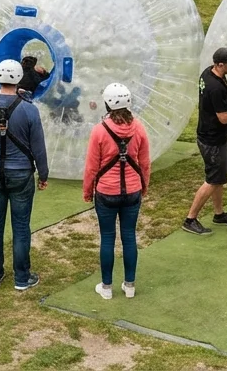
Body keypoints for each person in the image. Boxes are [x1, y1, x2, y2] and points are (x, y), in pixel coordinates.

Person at [0, 60, 49, 291]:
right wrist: (43, 174)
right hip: (21, 173)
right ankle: (22, 278)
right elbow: (39, 147)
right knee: (21, 225)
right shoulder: (29, 109)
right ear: (18, 79)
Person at [82, 83, 151, 299]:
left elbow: (92, 165)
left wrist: (87, 190)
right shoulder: (139, 128)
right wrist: (144, 185)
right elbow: (145, 162)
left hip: (106, 192)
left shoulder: (99, 131)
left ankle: (107, 287)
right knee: (129, 236)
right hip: (132, 190)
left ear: (107, 103)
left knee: (107, 238)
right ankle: (129, 285)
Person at [183, 47, 227, 235]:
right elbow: (224, 118)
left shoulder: (208, 73)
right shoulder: (215, 87)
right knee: (213, 180)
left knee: (219, 178)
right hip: (212, 139)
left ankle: (219, 213)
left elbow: (213, 97)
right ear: (220, 64)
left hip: (215, 136)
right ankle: (190, 219)